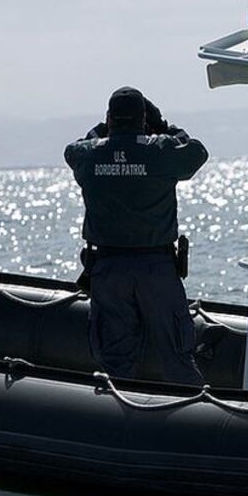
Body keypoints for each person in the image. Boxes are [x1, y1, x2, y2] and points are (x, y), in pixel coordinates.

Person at [64, 86, 208, 385]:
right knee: (177, 359)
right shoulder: (160, 150)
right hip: (157, 270)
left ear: (109, 118)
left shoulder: (89, 155)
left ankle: (121, 423)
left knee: (115, 362)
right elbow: (196, 150)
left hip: (108, 272)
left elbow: (74, 149)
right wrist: (165, 126)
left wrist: (106, 130)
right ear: (144, 119)